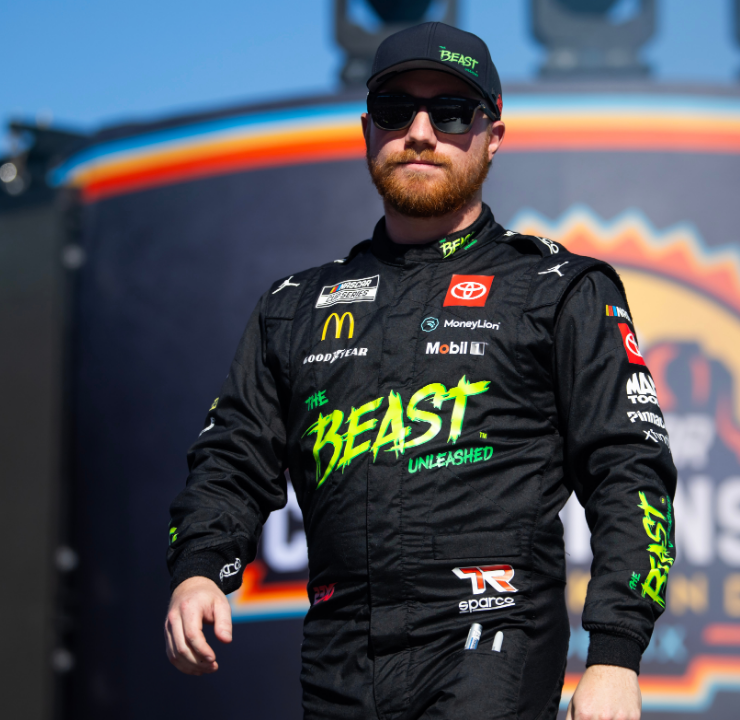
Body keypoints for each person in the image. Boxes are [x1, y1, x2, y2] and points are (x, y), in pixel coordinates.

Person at [163, 21, 676, 720]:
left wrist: (615, 656)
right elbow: (232, 457)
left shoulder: (560, 288)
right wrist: (199, 570)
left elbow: (629, 470)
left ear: (493, 134)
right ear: (368, 130)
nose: (422, 131)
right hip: (339, 657)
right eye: (397, 110)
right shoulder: (297, 306)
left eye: (453, 111)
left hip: (493, 642)